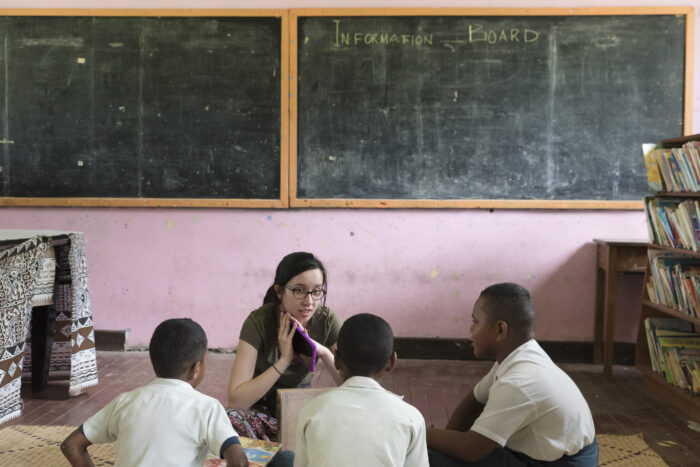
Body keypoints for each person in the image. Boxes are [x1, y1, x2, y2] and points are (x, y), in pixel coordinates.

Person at [427, 283, 598, 467]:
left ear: (500, 330)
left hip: (564, 463)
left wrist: (415, 431)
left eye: (475, 321)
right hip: (547, 456)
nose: (470, 329)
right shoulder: (518, 356)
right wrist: (439, 445)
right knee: (438, 453)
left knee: (427, 461)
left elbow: (470, 450)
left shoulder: (519, 382)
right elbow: (474, 400)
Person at [60, 318, 248, 467]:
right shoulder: (208, 408)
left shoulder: (126, 401)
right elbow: (239, 462)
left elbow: (71, 445)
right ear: (196, 369)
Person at [227, 252, 343, 441]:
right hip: (261, 411)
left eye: (317, 291)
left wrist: (321, 351)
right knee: (229, 420)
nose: (309, 301)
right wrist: (284, 360)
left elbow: (352, 384)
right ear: (279, 291)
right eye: (299, 290)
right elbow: (236, 400)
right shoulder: (258, 322)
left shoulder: (326, 320)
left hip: (302, 409)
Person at [295, 313, 429, 467]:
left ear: (337, 359)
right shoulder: (411, 418)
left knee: (285, 457)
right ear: (391, 361)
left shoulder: (312, 411)